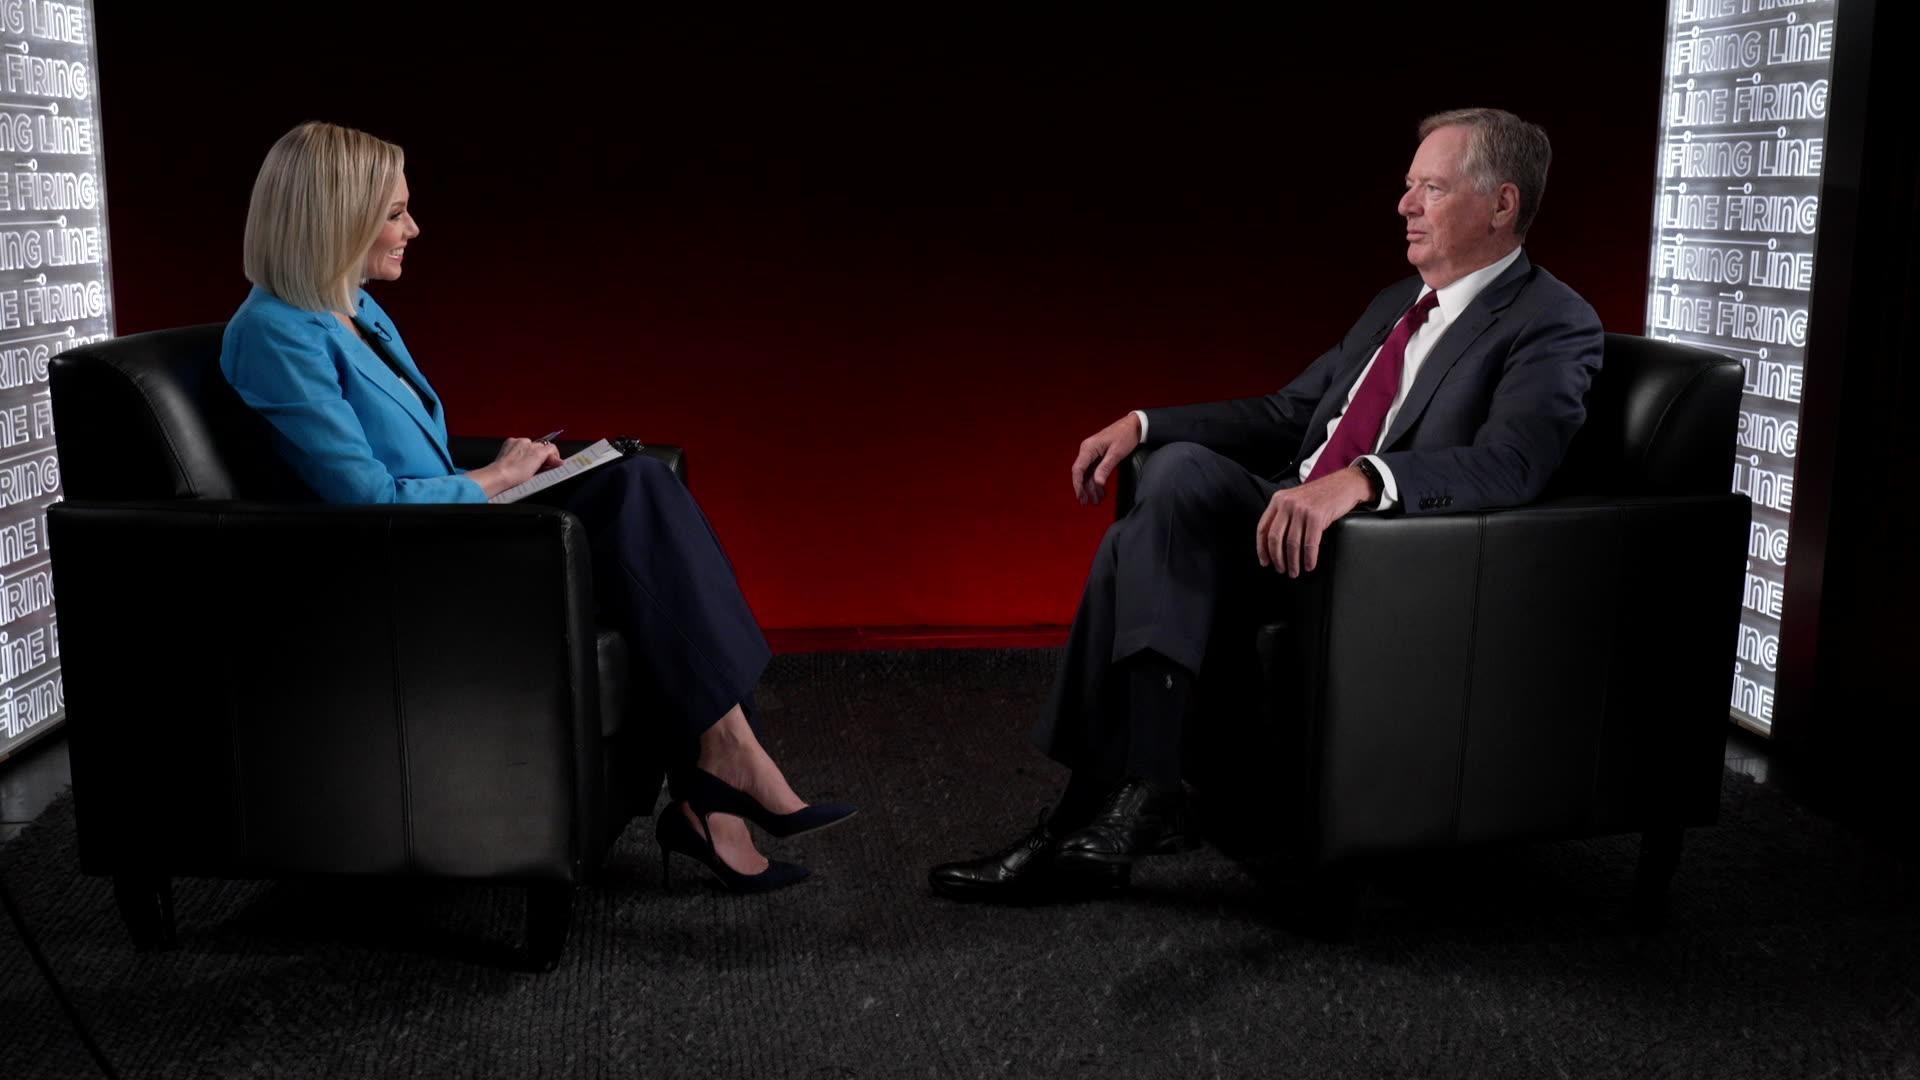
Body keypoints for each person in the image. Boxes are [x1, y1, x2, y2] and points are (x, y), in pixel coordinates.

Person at [929, 108, 1604, 902]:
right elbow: (1291, 413)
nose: (1405, 205)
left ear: (1501, 204)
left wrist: (1363, 479)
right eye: (1408, 186)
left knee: (1137, 535)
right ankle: (1144, 791)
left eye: (1432, 187)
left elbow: (1514, 463)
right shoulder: (1398, 301)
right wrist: (1144, 423)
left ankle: (1086, 816)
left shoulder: (1552, 322)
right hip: (1280, 515)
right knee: (1166, 482)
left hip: (1374, 555)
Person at [220, 121, 853, 894]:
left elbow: (413, 458)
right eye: (395, 214)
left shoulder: (351, 307)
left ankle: (724, 772)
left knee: (637, 481)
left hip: (449, 532)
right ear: (333, 220)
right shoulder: (274, 334)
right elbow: (368, 500)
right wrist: (495, 478)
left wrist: (509, 474)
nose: (413, 229)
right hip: (397, 569)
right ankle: (724, 773)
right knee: (638, 497)